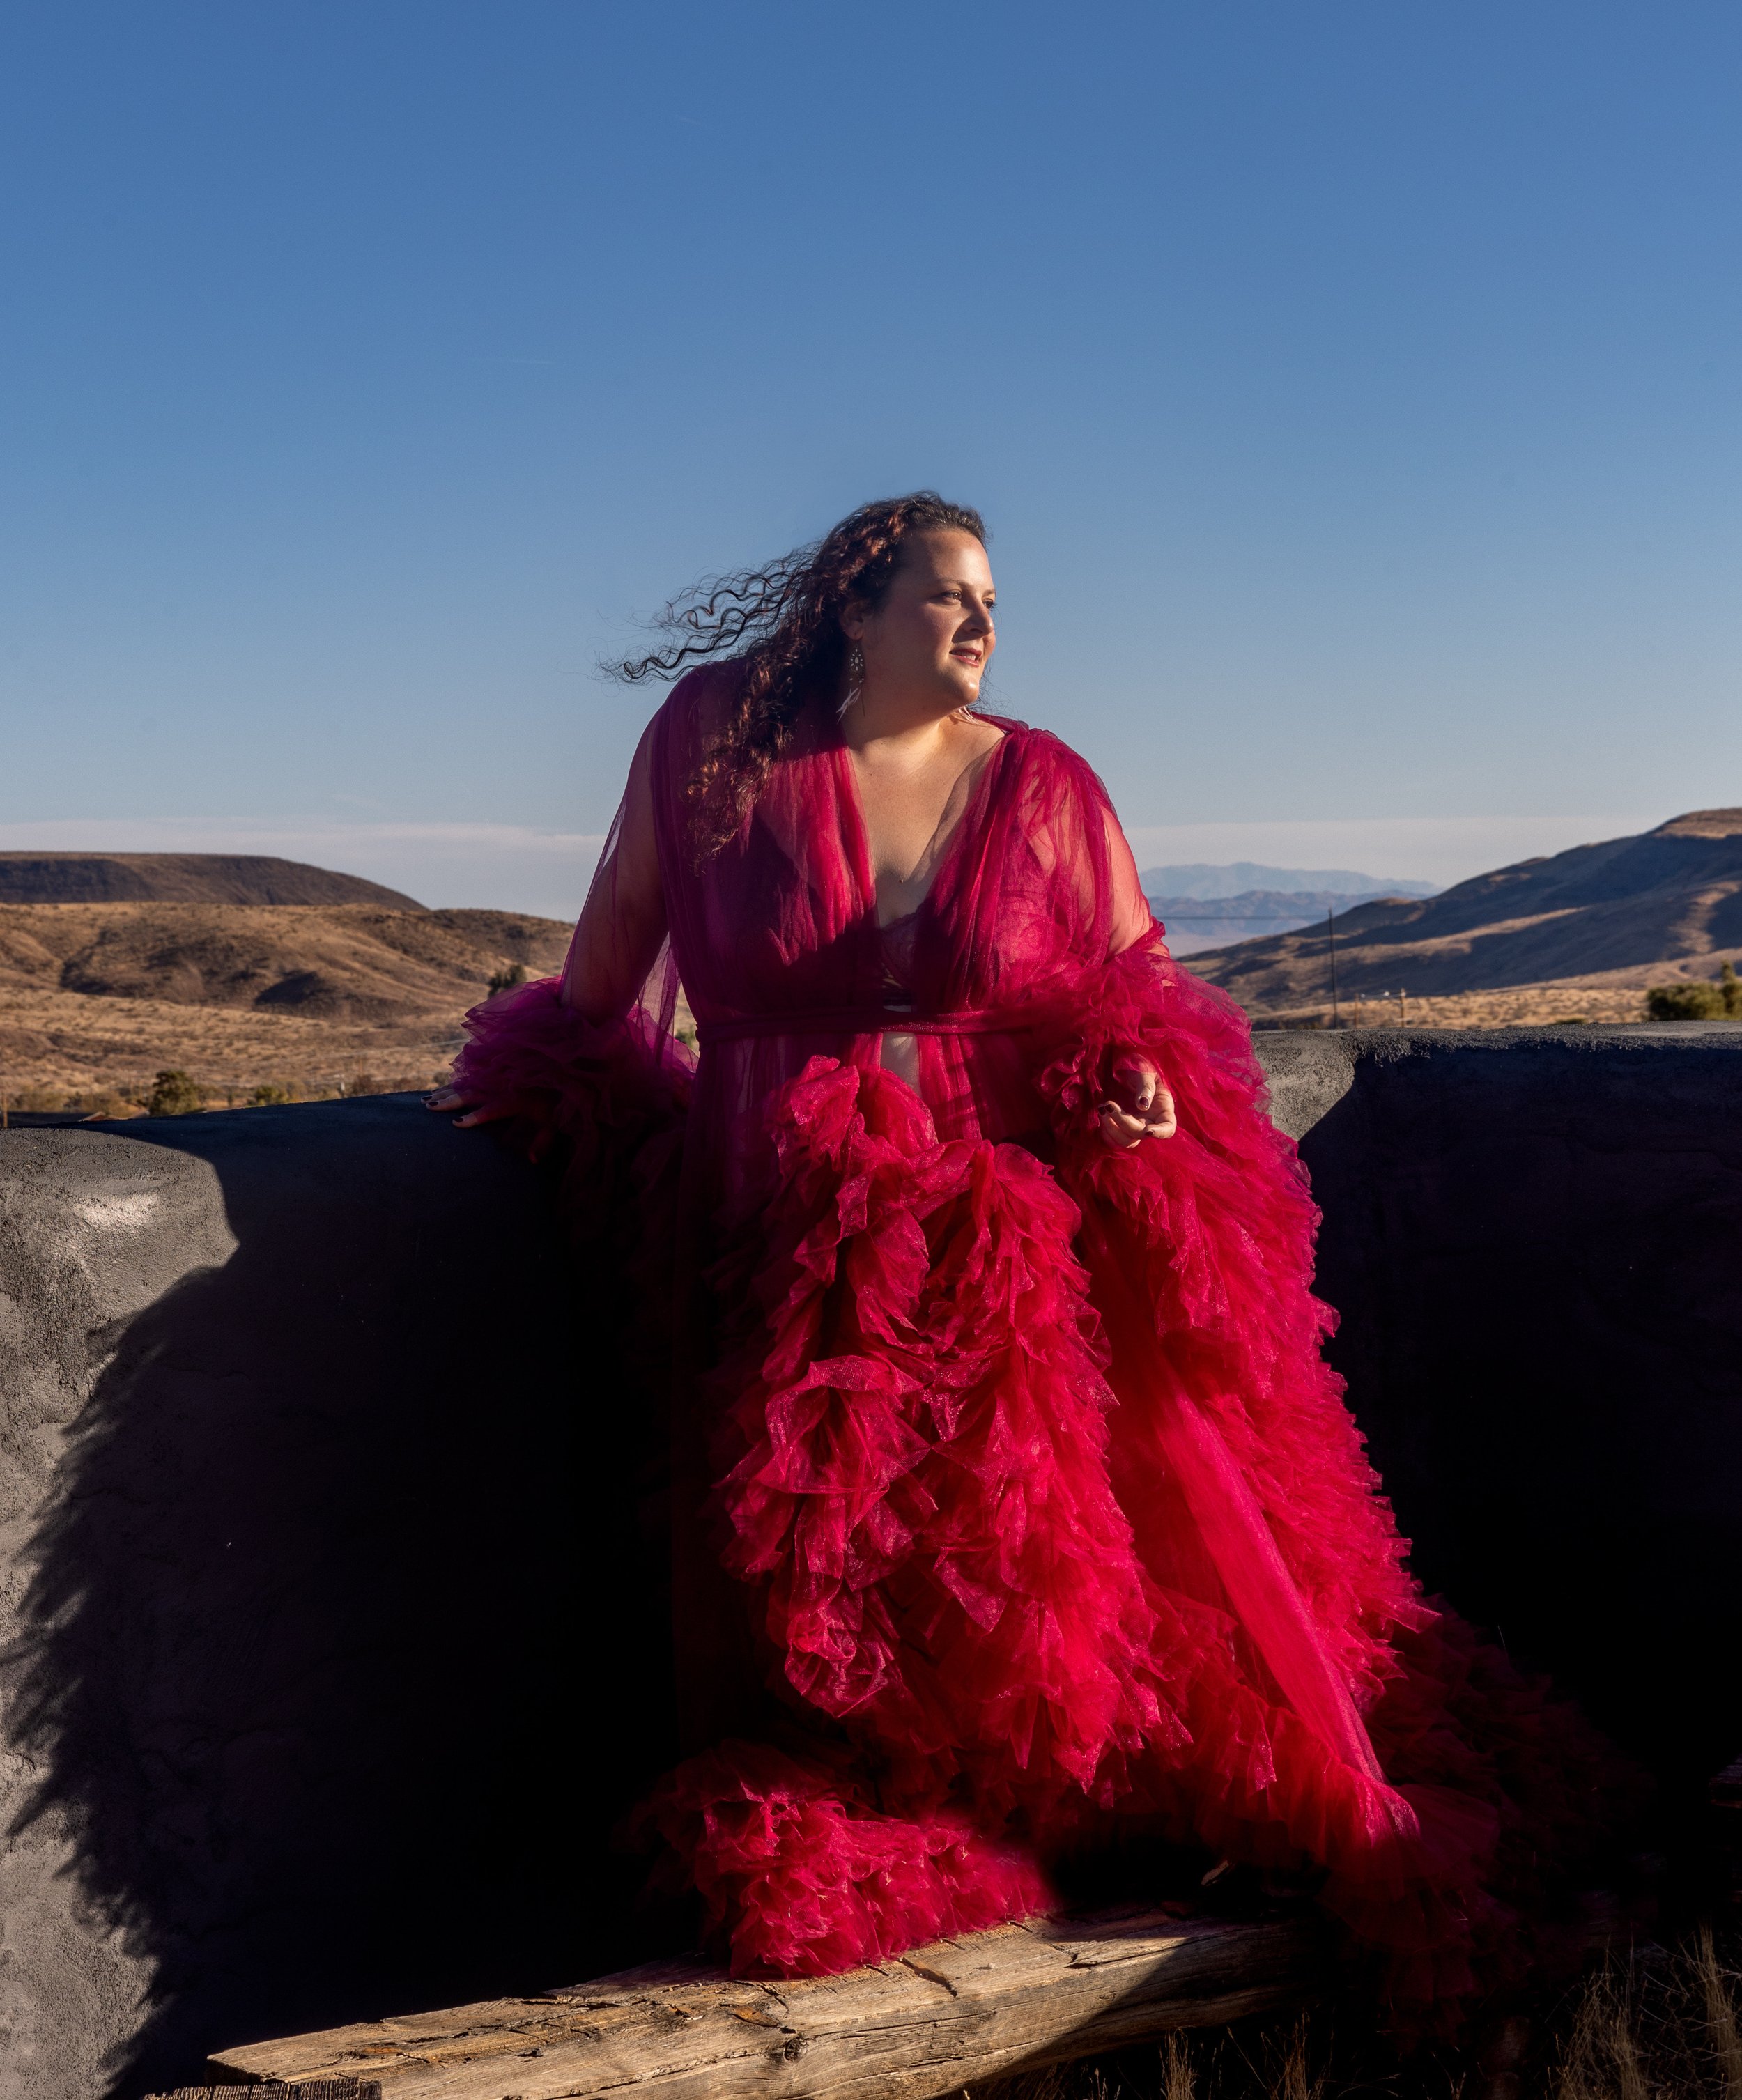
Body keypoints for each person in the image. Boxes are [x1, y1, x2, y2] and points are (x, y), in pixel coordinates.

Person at [429, 493, 1619, 2025]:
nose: (984, 624)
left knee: (1027, 1563)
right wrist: (577, 1131)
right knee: (831, 1575)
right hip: (782, 1229)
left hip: (999, 1237)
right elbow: (606, 981)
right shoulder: (712, 743)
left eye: (992, 600)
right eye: (948, 597)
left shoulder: (1044, 783)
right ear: (852, 609)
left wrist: (1137, 1088)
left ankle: (1082, 1832)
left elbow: (1133, 997)